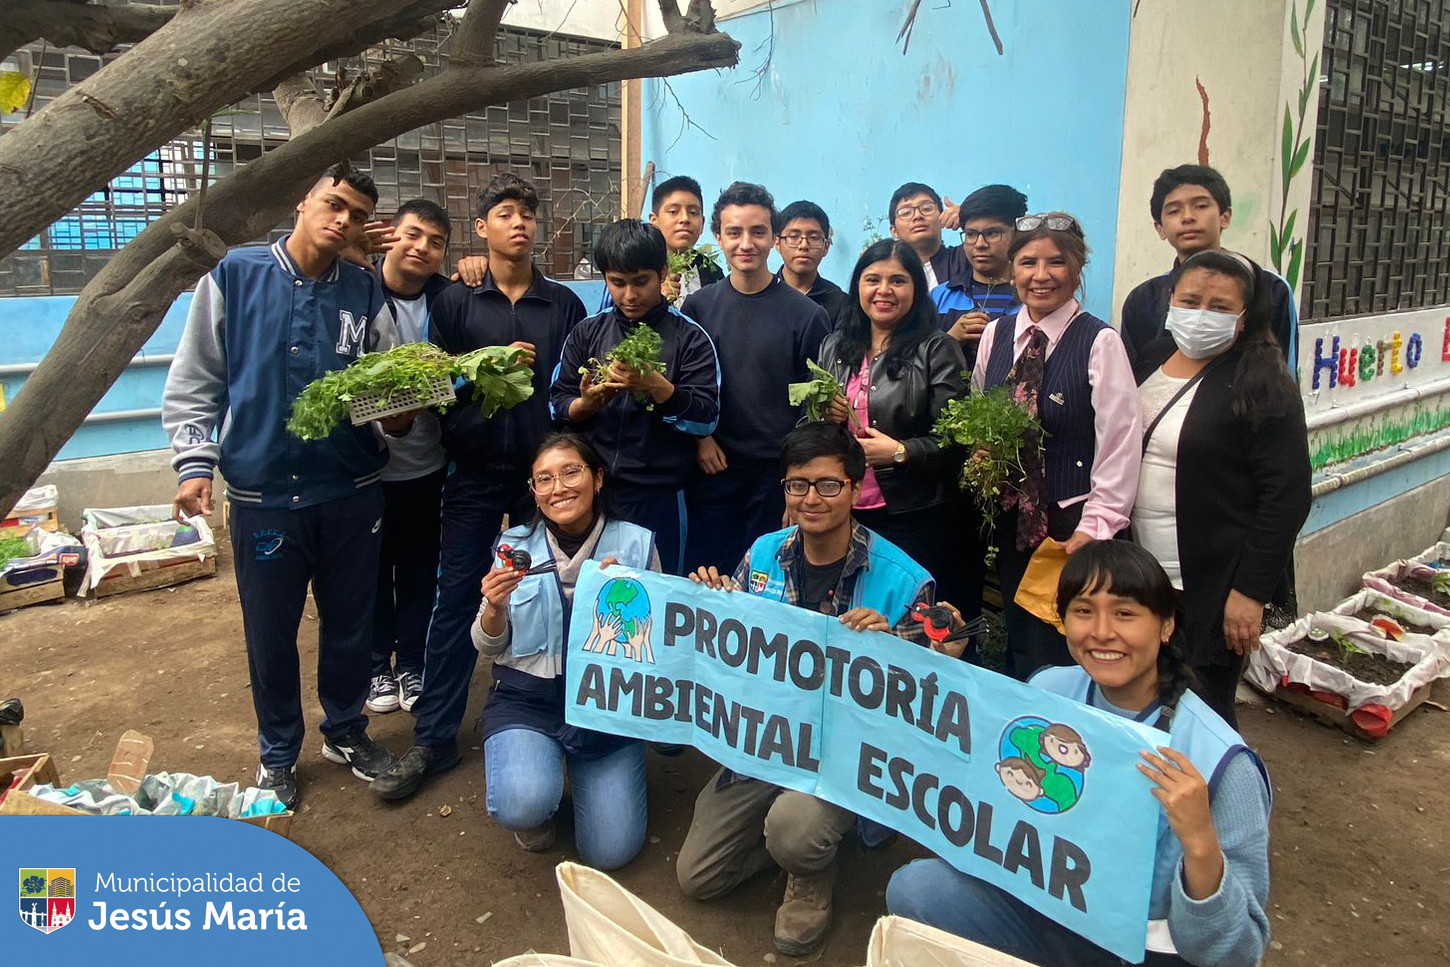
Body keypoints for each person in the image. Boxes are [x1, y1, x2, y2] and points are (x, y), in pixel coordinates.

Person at [887, 540, 1272, 967]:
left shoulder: (1220, 761)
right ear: (1063, 620)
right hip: (1045, 915)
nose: (1102, 632)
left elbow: (1239, 952)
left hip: (1143, 952)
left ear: (1166, 625)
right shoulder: (1048, 691)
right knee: (916, 890)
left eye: (1125, 613)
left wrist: (1200, 844)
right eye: (1083, 611)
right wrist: (932, 665)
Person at [677, 422, 970, 958]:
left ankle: (811, 869)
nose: (812, 498)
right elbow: (729, 651)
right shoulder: (764, 553)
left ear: (857, 489)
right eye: (797, 485)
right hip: (766, 741)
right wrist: (712, 601)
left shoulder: (904, 579)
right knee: (698, 878)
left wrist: (900, 646)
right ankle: (792, 839)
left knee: (795, 829)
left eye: (828, 485)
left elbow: (933, 684)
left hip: (845, 754)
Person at [162, 167, 400, 808]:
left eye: (355, 213)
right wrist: (194, 463)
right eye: (333, 203)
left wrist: (404, 407)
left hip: (351, 489)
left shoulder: (365, 293)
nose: (342, 219)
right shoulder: (235, 277)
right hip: (264, 495)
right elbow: (197, 380)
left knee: (351, 624)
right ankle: (276, 754)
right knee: (270, 632)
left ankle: (346, 730)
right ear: (304, 200)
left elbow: (382, 388)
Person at [371, 173, 587, 802]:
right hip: (470, 472)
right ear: (483, 228)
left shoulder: (564, 305)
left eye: (528, 215)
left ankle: (571, 722)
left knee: (559, 594)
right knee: (459, 597)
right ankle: (434, 739)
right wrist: (483, 369)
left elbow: (571, 394)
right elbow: (434, 386)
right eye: (505, 214)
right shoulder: (457, 303)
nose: (519, 224)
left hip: (543, 482)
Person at [1130, 249, 1311, 725]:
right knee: (1144, 700)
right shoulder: (1152, 358)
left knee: (1204, 711)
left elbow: (1286, 495)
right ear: (1170, 300)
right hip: (1143, 574)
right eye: (1190, 301)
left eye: (1219, 306)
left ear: (1246, 316)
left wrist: (1249, 593)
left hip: (1211, 584)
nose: (1200, 315)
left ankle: (1217, 796)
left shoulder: (1262, 380)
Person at [473, 434, 660, 869]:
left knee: (610, 853)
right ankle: (537, 796)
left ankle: (583, 768)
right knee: (522, 802)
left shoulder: (636, 545)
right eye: (545, 479)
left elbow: (658, 647)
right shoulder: (513, 547)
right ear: (534, 492)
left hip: (606, 708)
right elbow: (487, 645)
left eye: (571, 472)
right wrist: (494, 609)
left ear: (597, 478)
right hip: (526, 700)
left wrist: (630, 595)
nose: (559, 488)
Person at [973, 212, 1141, 679]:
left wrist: (1097, 525)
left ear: (1077, 269)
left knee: (1072, 640)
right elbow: (979, 410)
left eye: (1056, 263)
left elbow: (1120, 441)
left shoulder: (1098, 341)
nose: (1040, 276)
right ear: (1012, 270)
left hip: (1073, 521)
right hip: (1014, 518)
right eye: (1027, 262)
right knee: (1022, 633)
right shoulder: (996, 335)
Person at [815, 239, 979, 641]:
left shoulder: (937, 348)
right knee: (850, 620)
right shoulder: (836, 346)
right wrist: (823, 414)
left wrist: (902, 452)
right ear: (857, 286)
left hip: (913, 511)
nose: (883, 291)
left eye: (897, 281)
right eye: (873, 279)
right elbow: (815, 431)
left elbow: (958, 439)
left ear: (916, 290)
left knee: (910, 623)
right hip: (847, 508)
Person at [549, 219, 721, 574]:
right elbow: (557, 404)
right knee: (593, 595)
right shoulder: (587, 332)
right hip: (596, 495)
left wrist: (660, 389)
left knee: (658, 593)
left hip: (662, 497)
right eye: (618, 283)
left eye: (641, 281)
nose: (629, 295)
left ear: (662, 273)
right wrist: (586, 405)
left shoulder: (690, 338)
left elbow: (706, 416)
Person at [681, 182, 831, 575]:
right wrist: (701, 439)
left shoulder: (807, 316)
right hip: (713, 469)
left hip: (776, 476)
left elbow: (814, 411)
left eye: (758, 231)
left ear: (774, 239)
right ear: (718, 237)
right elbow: (687, 387)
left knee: (771, 585)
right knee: (708, 581)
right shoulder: (698, 308)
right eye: (734, 232)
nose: (746, 243)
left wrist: (797, 484)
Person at [365, 198, 454, 715]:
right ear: (390, 236)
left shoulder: (449, 300)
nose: (422, 248)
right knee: (373, 572)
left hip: (429, 463)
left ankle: (414, 664)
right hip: (368, 467)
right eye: (413, 235)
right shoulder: (356, 292)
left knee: (421, 568)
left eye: (436, 242)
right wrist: (386, 419)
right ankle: (377, 666)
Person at [1119, 165, 1298, 371]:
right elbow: (1130, 376)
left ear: (1225, 216)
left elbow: (1285, 371)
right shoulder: (1142, 299)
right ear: (1160, 228)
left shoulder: (1269, 288)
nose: (1188, 217)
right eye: (1174, 211)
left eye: (1201, 206)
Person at [930, 184, 1027, 358]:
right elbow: (913, 364)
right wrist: (951, 339)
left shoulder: (1031, 296)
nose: (980, 244)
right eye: (971, 234)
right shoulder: (941, 296)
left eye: (992, 233)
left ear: (1017, 233)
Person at [775, 200, 849, 327]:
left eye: (814, 238)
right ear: (777, 243)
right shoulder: (763, 293)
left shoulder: (840, 303)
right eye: (793, 237)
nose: (803, 246)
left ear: (826, 247)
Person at [887, 181, 968, 289]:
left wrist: (968, 218)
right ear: (894, 231)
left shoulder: (965, 258)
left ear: (942, 217)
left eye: (926, 208)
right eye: (906, 212)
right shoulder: (888, 274)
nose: (918, 216)